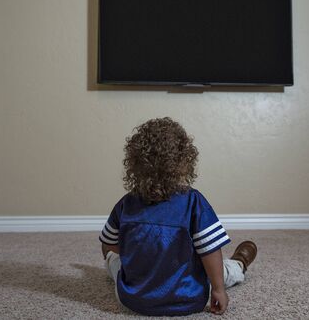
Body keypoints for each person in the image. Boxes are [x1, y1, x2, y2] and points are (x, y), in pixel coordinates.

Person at [99, 117, 257, 316]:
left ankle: (119, 268)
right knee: (217, 270)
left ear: (134, 164)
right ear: (185, 162)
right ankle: (238, 264)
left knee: (112, 258)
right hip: (186, 298)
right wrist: (217, 289)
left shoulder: (126, 204)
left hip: (132, 299)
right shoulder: (193, 203)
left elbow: (111, 244)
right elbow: (210, 251)